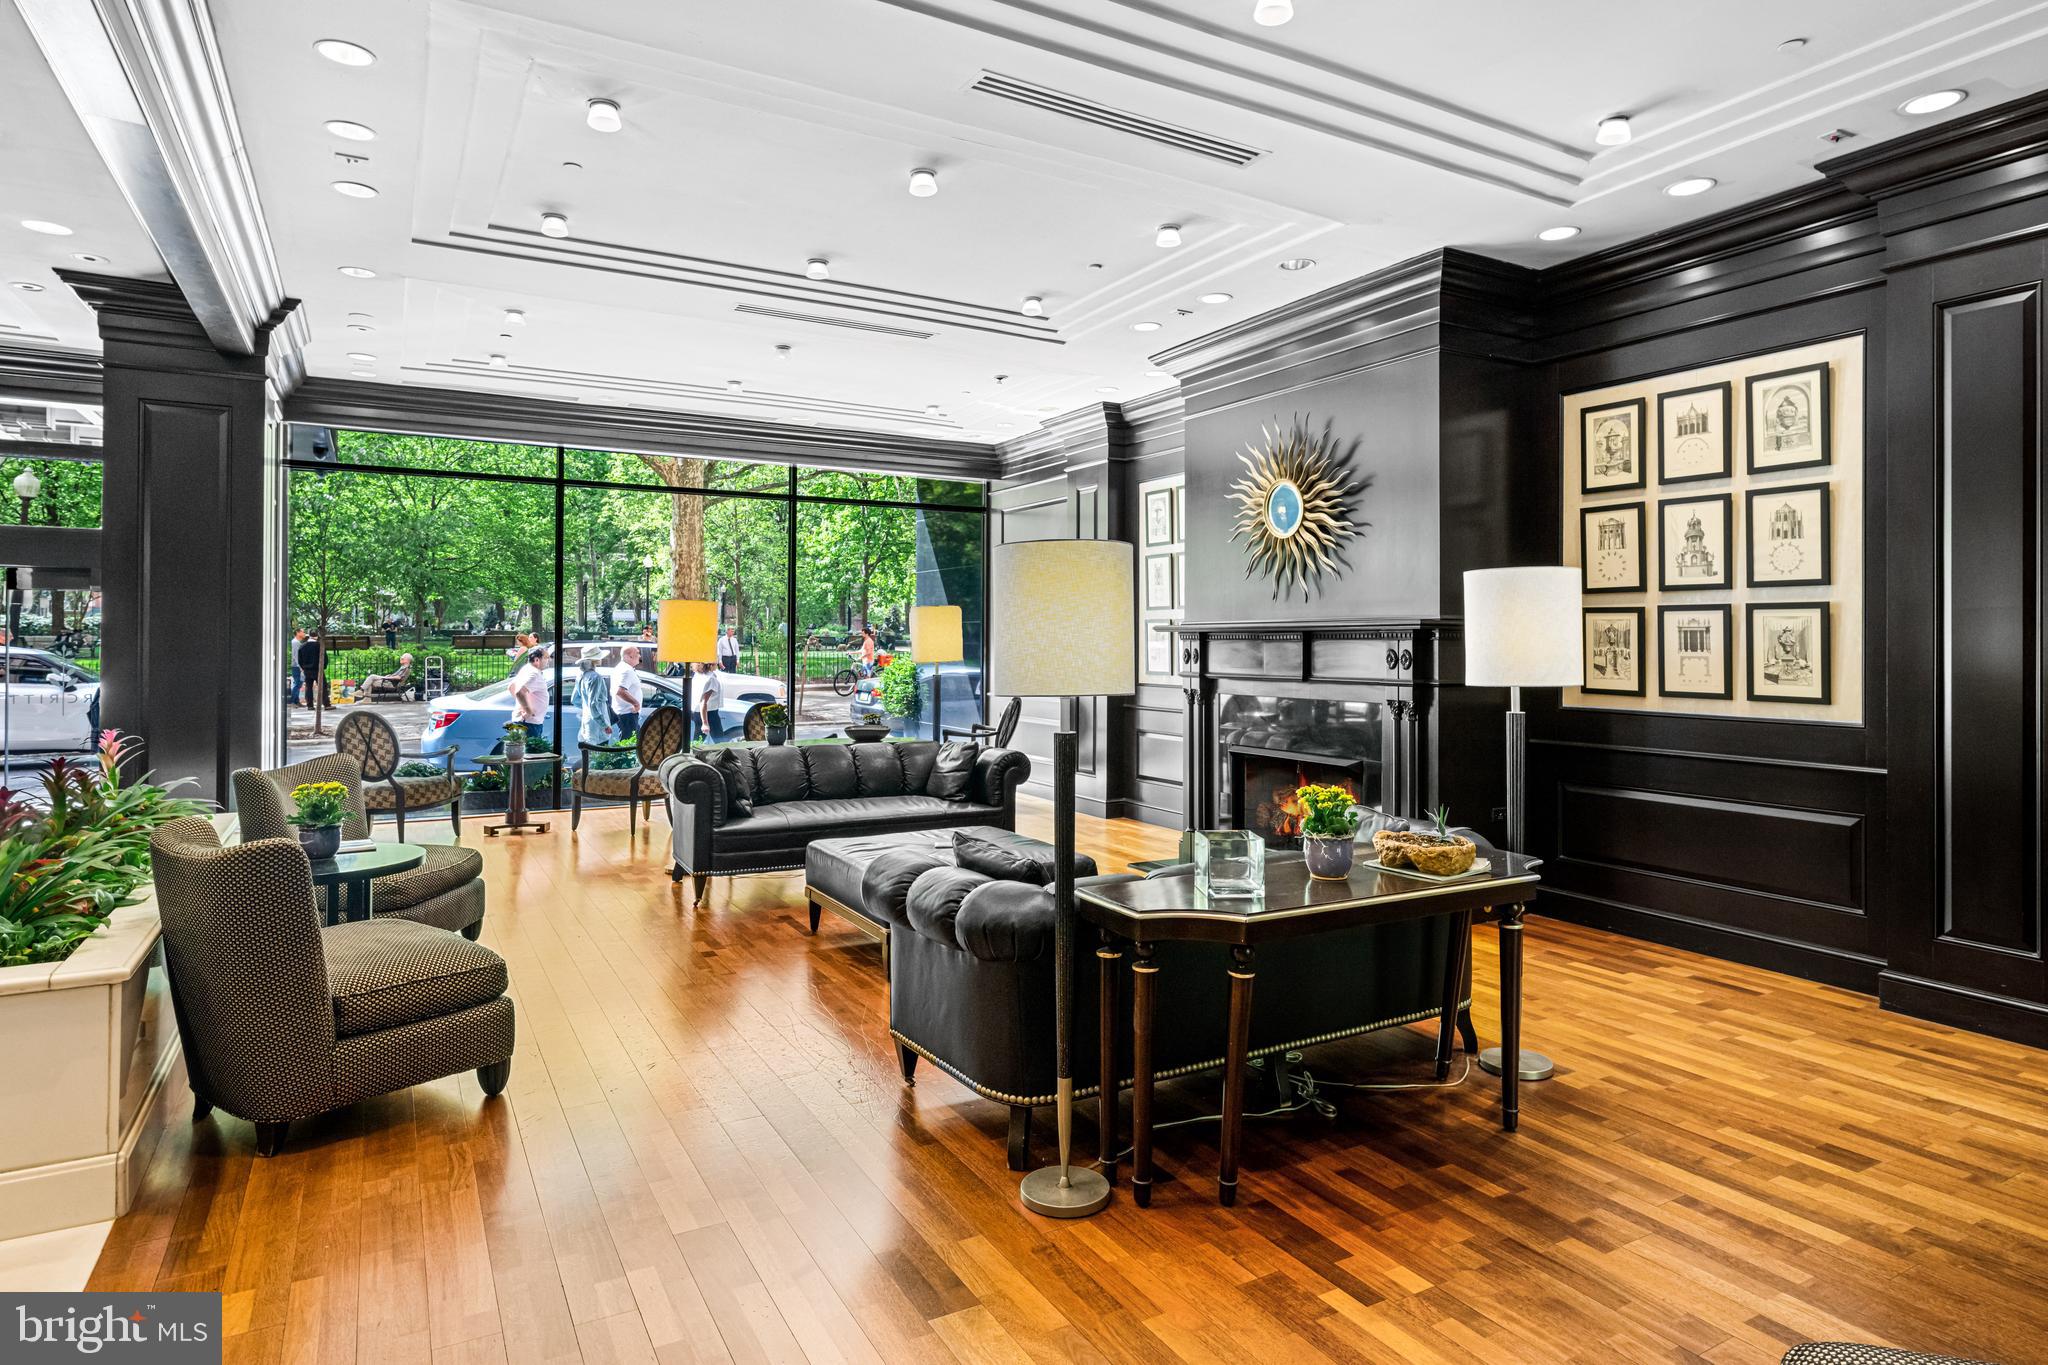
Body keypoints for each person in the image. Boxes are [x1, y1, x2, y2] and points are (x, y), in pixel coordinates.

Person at [572, 645, 617, 751]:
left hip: (587, 722)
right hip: (597, 725)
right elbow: (593, 704)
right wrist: (604, 725)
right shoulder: (595, 677)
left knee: (589, 755)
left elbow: (574, 700)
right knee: (600, 757)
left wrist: (587, 707)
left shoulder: (581, 676)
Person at [509, 644, 550, 740]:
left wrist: (522, 704)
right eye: (546, 657)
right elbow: (519, 692)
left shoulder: (526, 669)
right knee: (531, 753)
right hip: (530, 723)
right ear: (536, 660)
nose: (549, 660)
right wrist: (528, 711)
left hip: (525, 722)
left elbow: (511, 687)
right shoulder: (534, 674)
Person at [611, 643, 645, 740]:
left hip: (625, 713)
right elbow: (621, 691)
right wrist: (636, 704)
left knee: (634, 742)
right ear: (630, 656)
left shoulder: (621, 668)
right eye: (637, 653)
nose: (639, 655)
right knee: (628, 745)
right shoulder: (626, 670)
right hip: (628, 713)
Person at [692, 660, 724, 744]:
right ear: (710, 665)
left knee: (698, 741)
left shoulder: (699, 675)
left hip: (698, 712)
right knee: (720, 742)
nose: (717, 664)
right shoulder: (711, 679)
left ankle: (692, 754)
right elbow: (704, 702)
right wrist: (705, 723)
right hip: (709, 714)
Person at [295, 630, 324, 708]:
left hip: (307, 670)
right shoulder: (319, 645)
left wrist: (304, 667)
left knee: (309, 688)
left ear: (309, 635)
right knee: (323, 686)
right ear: (317, 636)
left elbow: (300, 659)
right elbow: (324, 657)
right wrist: (323, 667)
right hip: (318, 669)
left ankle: (310, 705)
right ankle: (326, 703)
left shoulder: (302, 646)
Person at [290, 628, 307, 705]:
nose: (304, 634)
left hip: (297, 665)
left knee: (298, 683)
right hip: (297, 666)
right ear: (297, 633)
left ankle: (296, 701)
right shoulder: (295, 642)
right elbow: (295, 656)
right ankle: (293, 701)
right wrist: (300, 666)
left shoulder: (296, 642)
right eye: (303, 632)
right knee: (298, 683)